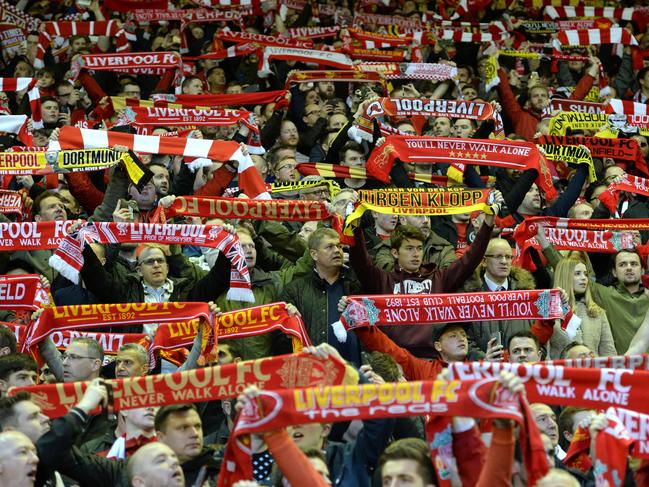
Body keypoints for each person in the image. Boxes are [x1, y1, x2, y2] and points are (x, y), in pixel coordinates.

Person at [548, 258, 617, 358]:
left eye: (585, 274)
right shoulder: (550, 312)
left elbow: (609, 352)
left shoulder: (597, 312)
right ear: (565, 276)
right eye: (577, 273)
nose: (584, 278)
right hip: (562, 372)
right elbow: (546, 354)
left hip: (593, 371)